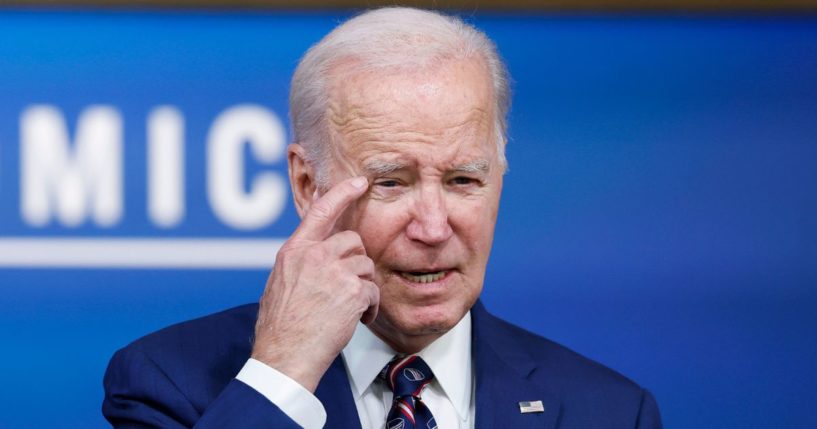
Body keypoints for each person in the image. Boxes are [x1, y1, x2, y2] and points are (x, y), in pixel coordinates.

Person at [103, 7, 662, 429]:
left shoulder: (609, 410)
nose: (434, 228)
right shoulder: (167, 382)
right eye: (390, 183)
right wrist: (281, 376)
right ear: (306, 184)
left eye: (464, 180)